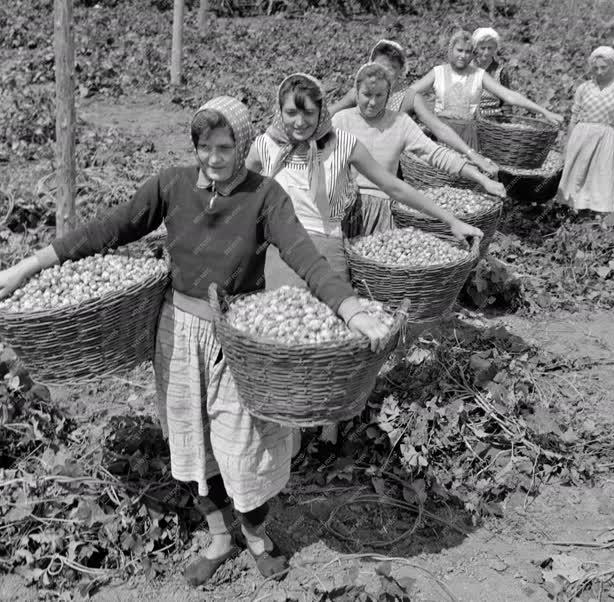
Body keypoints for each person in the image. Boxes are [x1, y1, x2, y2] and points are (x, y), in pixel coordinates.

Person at [0, 96, 392, 585]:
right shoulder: (172, 185)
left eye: (225, 147)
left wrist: (350, 308)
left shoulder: (265, 196)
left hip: (239, 339)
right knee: (190, 439)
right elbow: (108, 229)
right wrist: (27, 265)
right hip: (177, 333)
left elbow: (306, 257)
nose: (213, 158)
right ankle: (219, 538)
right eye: (204, 146)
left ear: (243, 144)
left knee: (244, 443)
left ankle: (256, 535)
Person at [246, 72, 484, 450]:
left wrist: (450, 219)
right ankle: (287, 438)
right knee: (284, 344)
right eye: (291, 112)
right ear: (280, 110)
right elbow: (241, 194)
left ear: (322, 110)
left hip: (326, 251)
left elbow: (394, 187)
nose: (299, 122)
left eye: (309, 112)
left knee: (331, 343)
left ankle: (329, 430)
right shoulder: (266, 145)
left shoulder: (343, 144)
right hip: (281, 256)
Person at [332, 63, 506, 237]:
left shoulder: (400, 122)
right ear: (356, 92)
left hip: (385, 208)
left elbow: (436, 154)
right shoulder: (341, 121)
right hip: (346, 207)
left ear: (388, 95)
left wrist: (483, 179)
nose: (373, 102)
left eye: (379, 95)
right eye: (367, 94)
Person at [328, 39, 498, 176]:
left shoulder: (410, 97)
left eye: (392, 68)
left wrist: (471, 153)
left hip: (393, 171)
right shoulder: (359, 93)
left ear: (400, 71)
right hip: (355, 169)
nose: (385, 72)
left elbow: (439, 128)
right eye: (380, 66)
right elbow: (329, 114)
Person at [410, 30, 563, 148]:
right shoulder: (438, 72)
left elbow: (509, 96)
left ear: (472, 54)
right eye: (459, 50)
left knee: (466, 181)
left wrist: (544, 112)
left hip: (469, 135)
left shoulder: (479, 75)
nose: (463, 55)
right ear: (451, 50)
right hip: (442, 131)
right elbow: (411, 92)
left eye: (468, 51)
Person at [558, 46, 614, 213]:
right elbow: (573, 118)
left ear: (613, 66)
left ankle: (596, 216)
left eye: (603, 67)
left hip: (605, 138)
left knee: (600, 176)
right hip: (581, 136)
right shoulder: (584, 88)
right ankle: (573, 213)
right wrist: (568, 144)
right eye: (596, 67)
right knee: (577, 174)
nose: (599, 72)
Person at [471, 27, 512, 116]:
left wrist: (506, 120)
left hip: (494, 118)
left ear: (495, 49)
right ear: (476, 48)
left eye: (490, 48)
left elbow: (506, 101)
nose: (486, 52)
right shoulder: (468, 69)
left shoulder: (501, 72)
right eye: (482, 48)